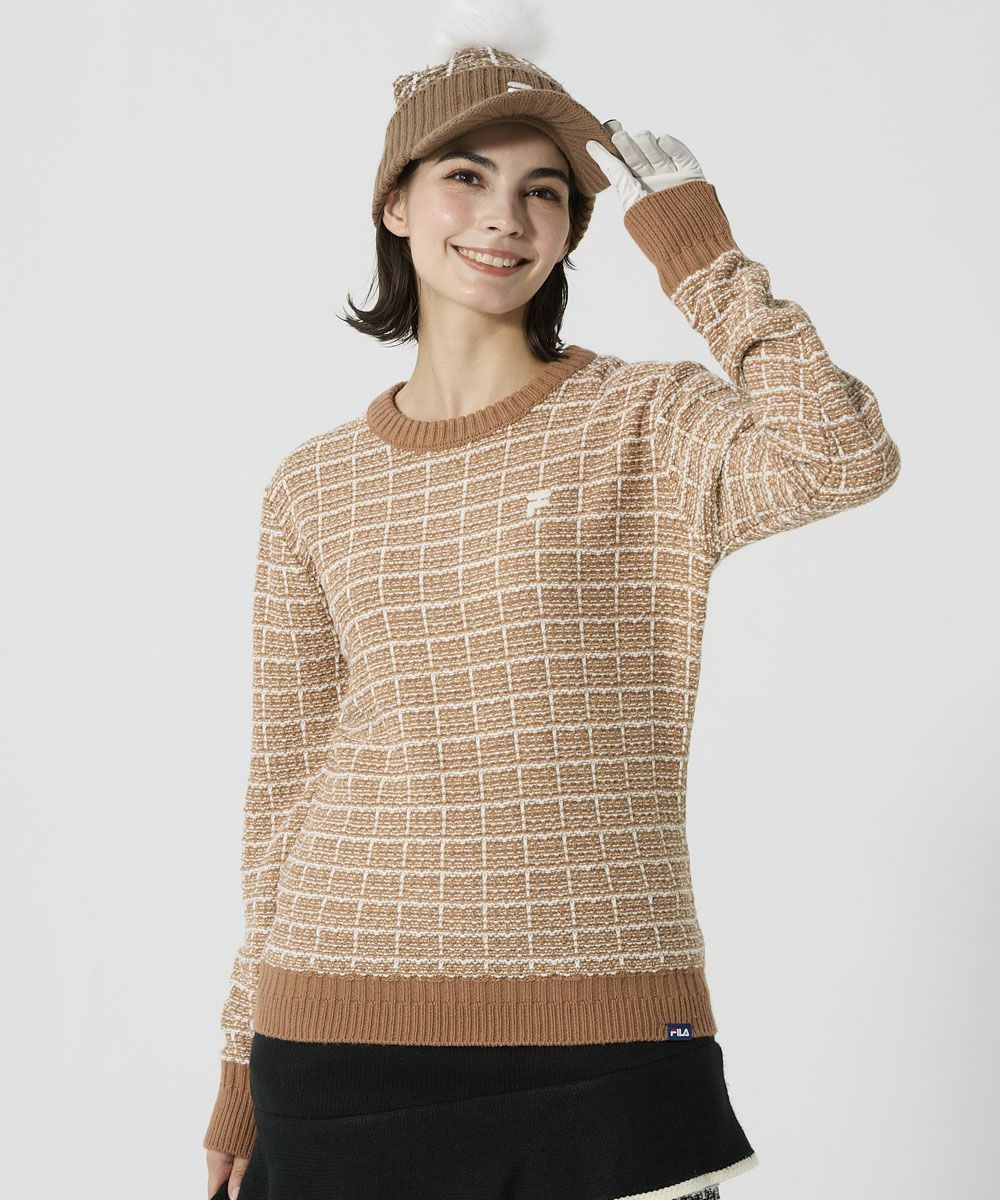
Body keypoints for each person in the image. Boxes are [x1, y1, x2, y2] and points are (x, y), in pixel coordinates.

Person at [202, 32, 901, 1200]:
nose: (504, 217)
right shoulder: (315, 483)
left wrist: (701, 256)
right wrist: (237, 1061)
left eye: (544, 191)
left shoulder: (648, 422)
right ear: (394, 204)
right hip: (332, 1030)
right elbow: (285, 787)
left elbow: (841, 454)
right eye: (465, 176)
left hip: (602, 1027)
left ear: (574, 227)